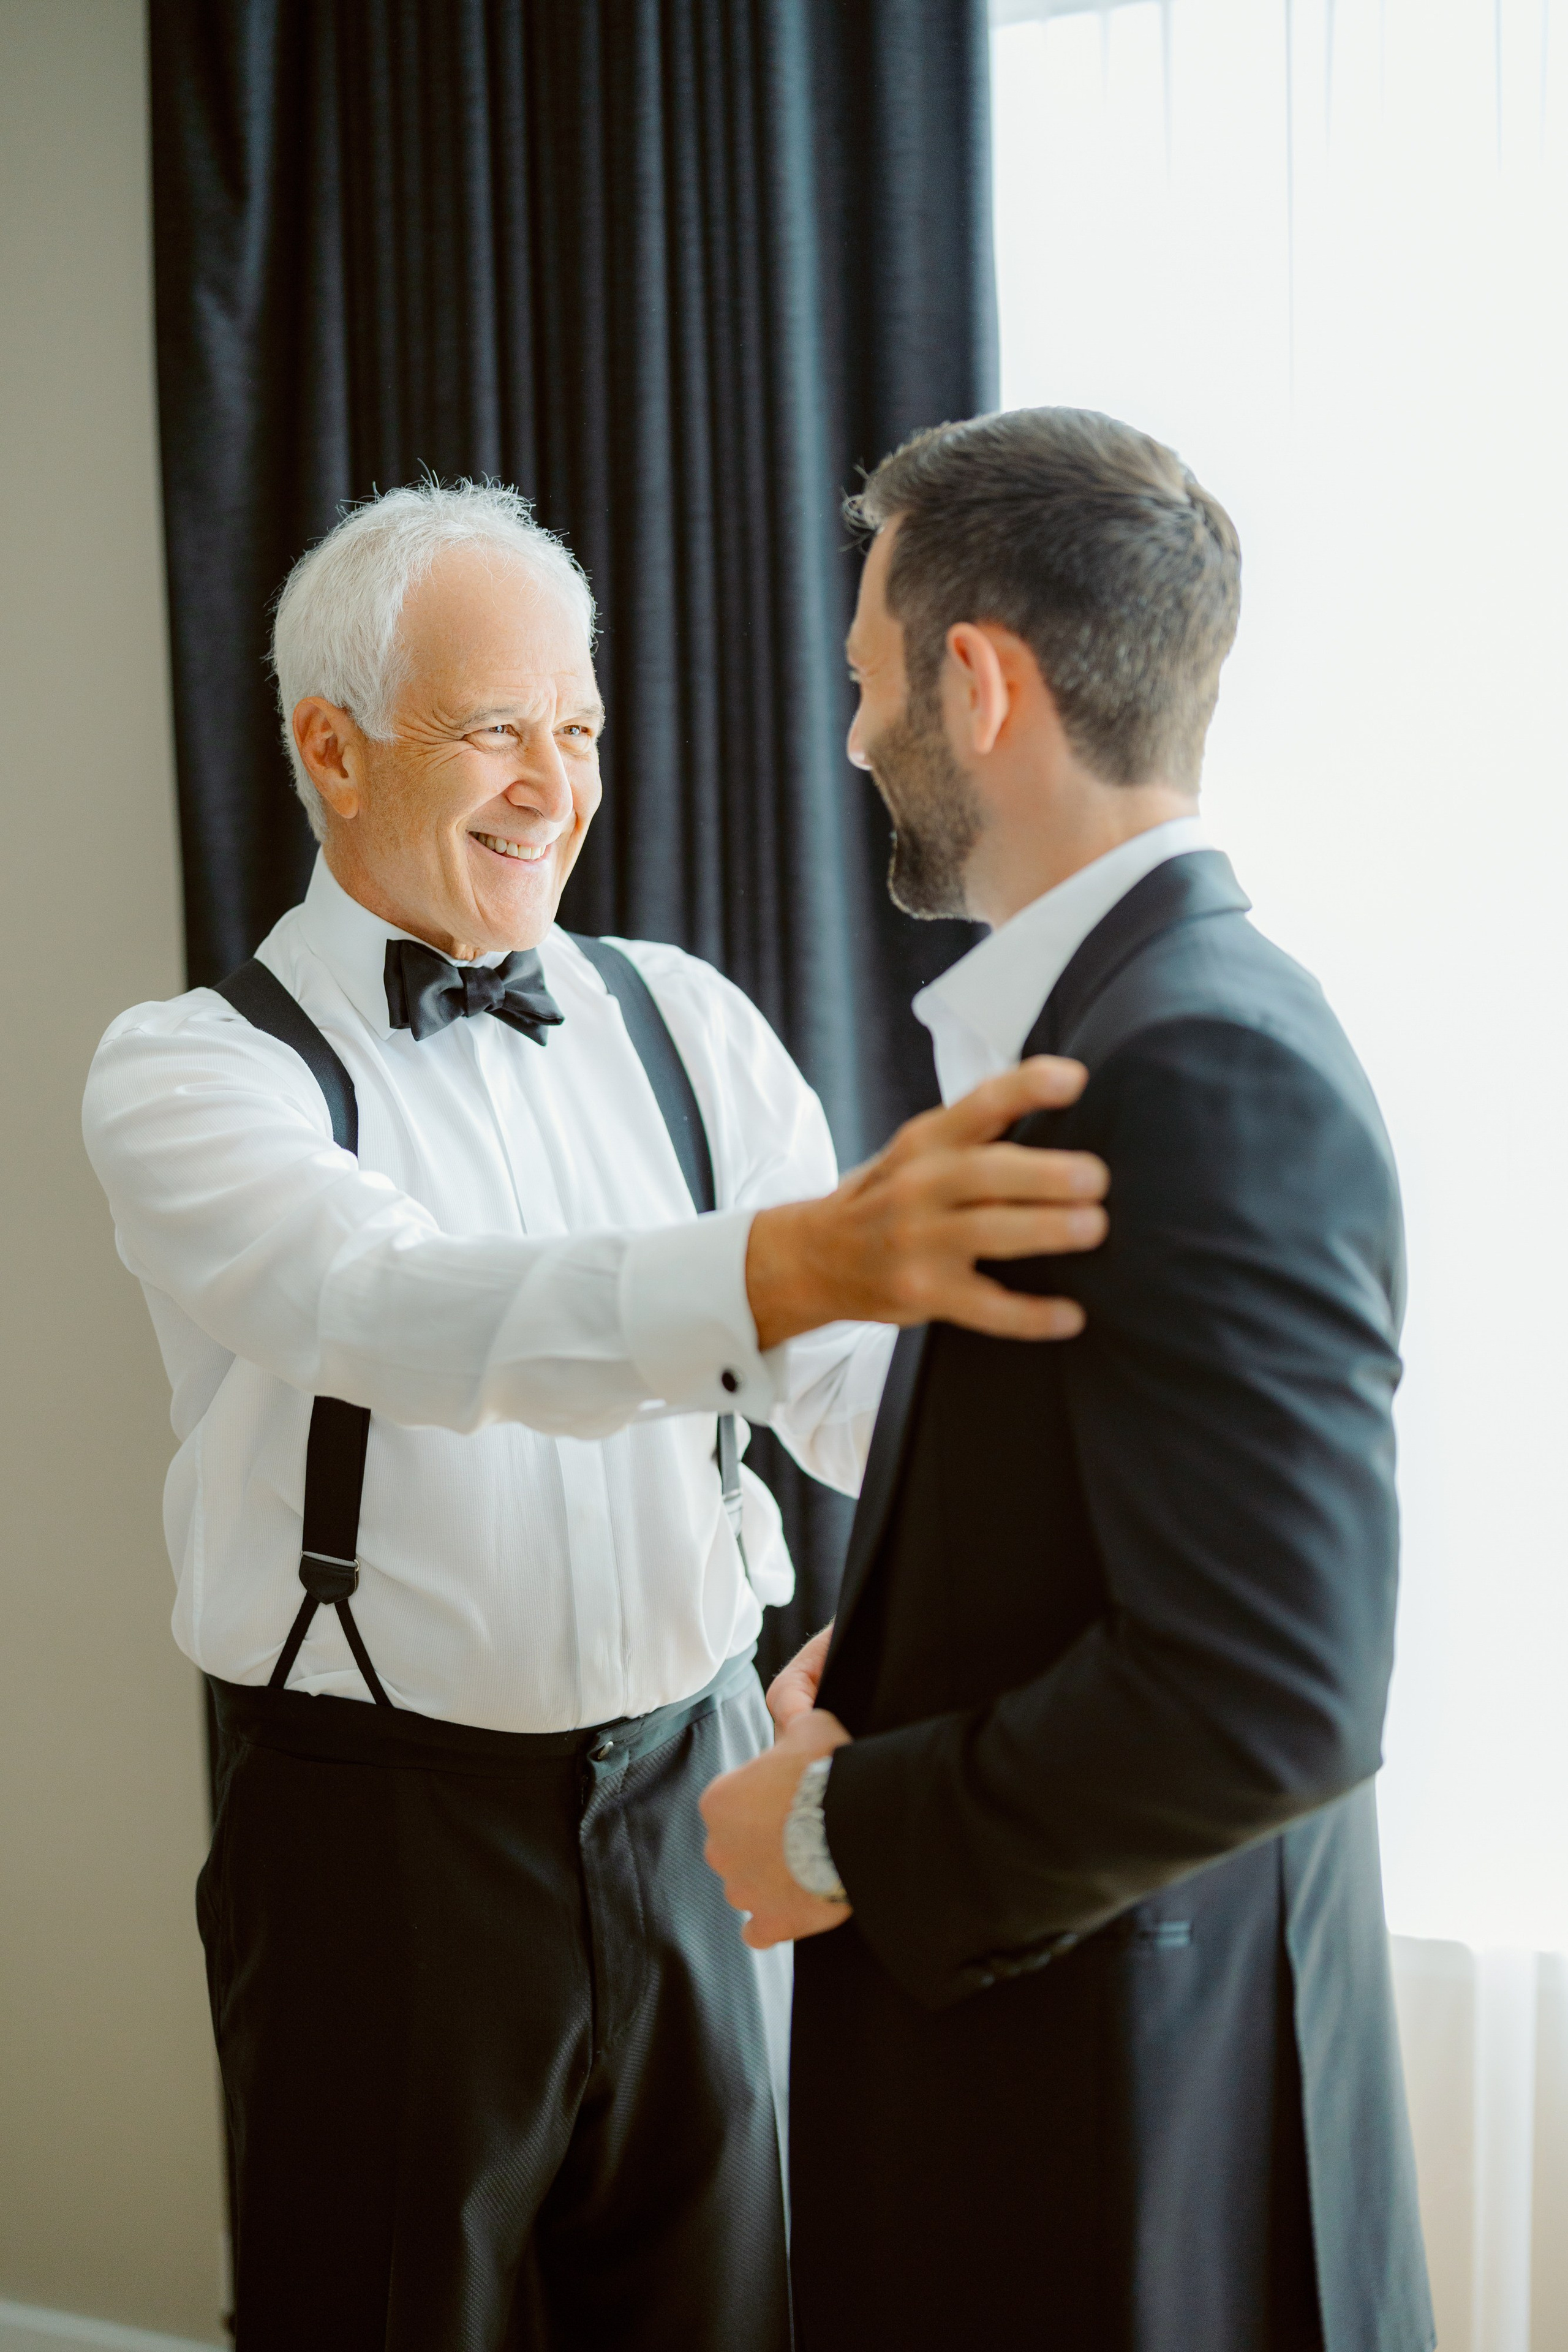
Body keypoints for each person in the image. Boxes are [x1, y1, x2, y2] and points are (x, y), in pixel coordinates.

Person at [82, 480, 1109, 2352]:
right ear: (330, 747)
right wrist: (786, 1267)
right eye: (495, 731)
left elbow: (845, 1390)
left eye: (580, 731)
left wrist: (1092, 1447)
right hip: (379, 1847)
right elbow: (397, 1311)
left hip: (692, 1796)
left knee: (722, 2317)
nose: (553, 784)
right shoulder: (192, 1077)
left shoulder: (690, 1023)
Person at [701, 410, 1434, 2352]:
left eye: (868, 682)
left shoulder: (1200, 1063)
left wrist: (836, 1830)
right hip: (1089, 2088)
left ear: (976, 680)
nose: (856, 739)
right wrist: (880, 1660)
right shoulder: (1133, 1027)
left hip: (1121, 2151)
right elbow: (1119, 1530)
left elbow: (1272, 1693)